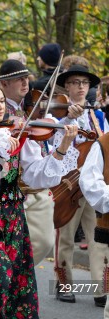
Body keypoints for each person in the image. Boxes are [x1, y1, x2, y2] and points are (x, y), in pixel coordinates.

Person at [0, 80, 78, 319]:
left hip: (12, 216)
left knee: (17, 283)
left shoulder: (17, 136)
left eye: (1, 101)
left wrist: (63, 147)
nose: (0, 107)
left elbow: (37, 175)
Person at [0, 59, 83, 265]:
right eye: (18, 79)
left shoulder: (31, 109)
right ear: (4, 84)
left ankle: (13, 279)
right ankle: (8, 286)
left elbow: (48, 131)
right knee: (7, 246)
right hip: (7, 191)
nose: (25, 83)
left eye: (26, 78)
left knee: (43, 243)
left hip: (37, 190)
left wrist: (69, 120)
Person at [53, 64, 107, 306]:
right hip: (69, 185)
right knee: (65, 238)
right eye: (75, 82)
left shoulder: (98, 116)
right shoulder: (56, 115)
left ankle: (100, 289)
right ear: (67, 86)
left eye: (84, 83)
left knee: (99, 239)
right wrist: (67, 120)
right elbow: (52, 147)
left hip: (94, 185)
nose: (81, 87)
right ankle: (64, 284)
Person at [79, 132, 109, 319]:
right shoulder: (104, 143)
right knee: (65, 240)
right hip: (69, 189)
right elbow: (89, 181)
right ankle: (63, 281)